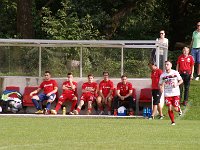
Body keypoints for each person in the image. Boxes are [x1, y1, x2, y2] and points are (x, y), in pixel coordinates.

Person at [159, 61, 183, 125]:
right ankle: (173, 121)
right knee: (169, 107)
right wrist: (161, 88)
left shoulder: (175, 72)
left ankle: (179, 109)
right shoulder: (163, 75)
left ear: (171, 65)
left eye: (167, 64)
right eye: (165, 65)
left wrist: (177, 84)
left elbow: (181, 80)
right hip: (167, 94)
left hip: (175, 93)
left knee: (175, 108)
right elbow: (160, 84)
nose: (166, 66)